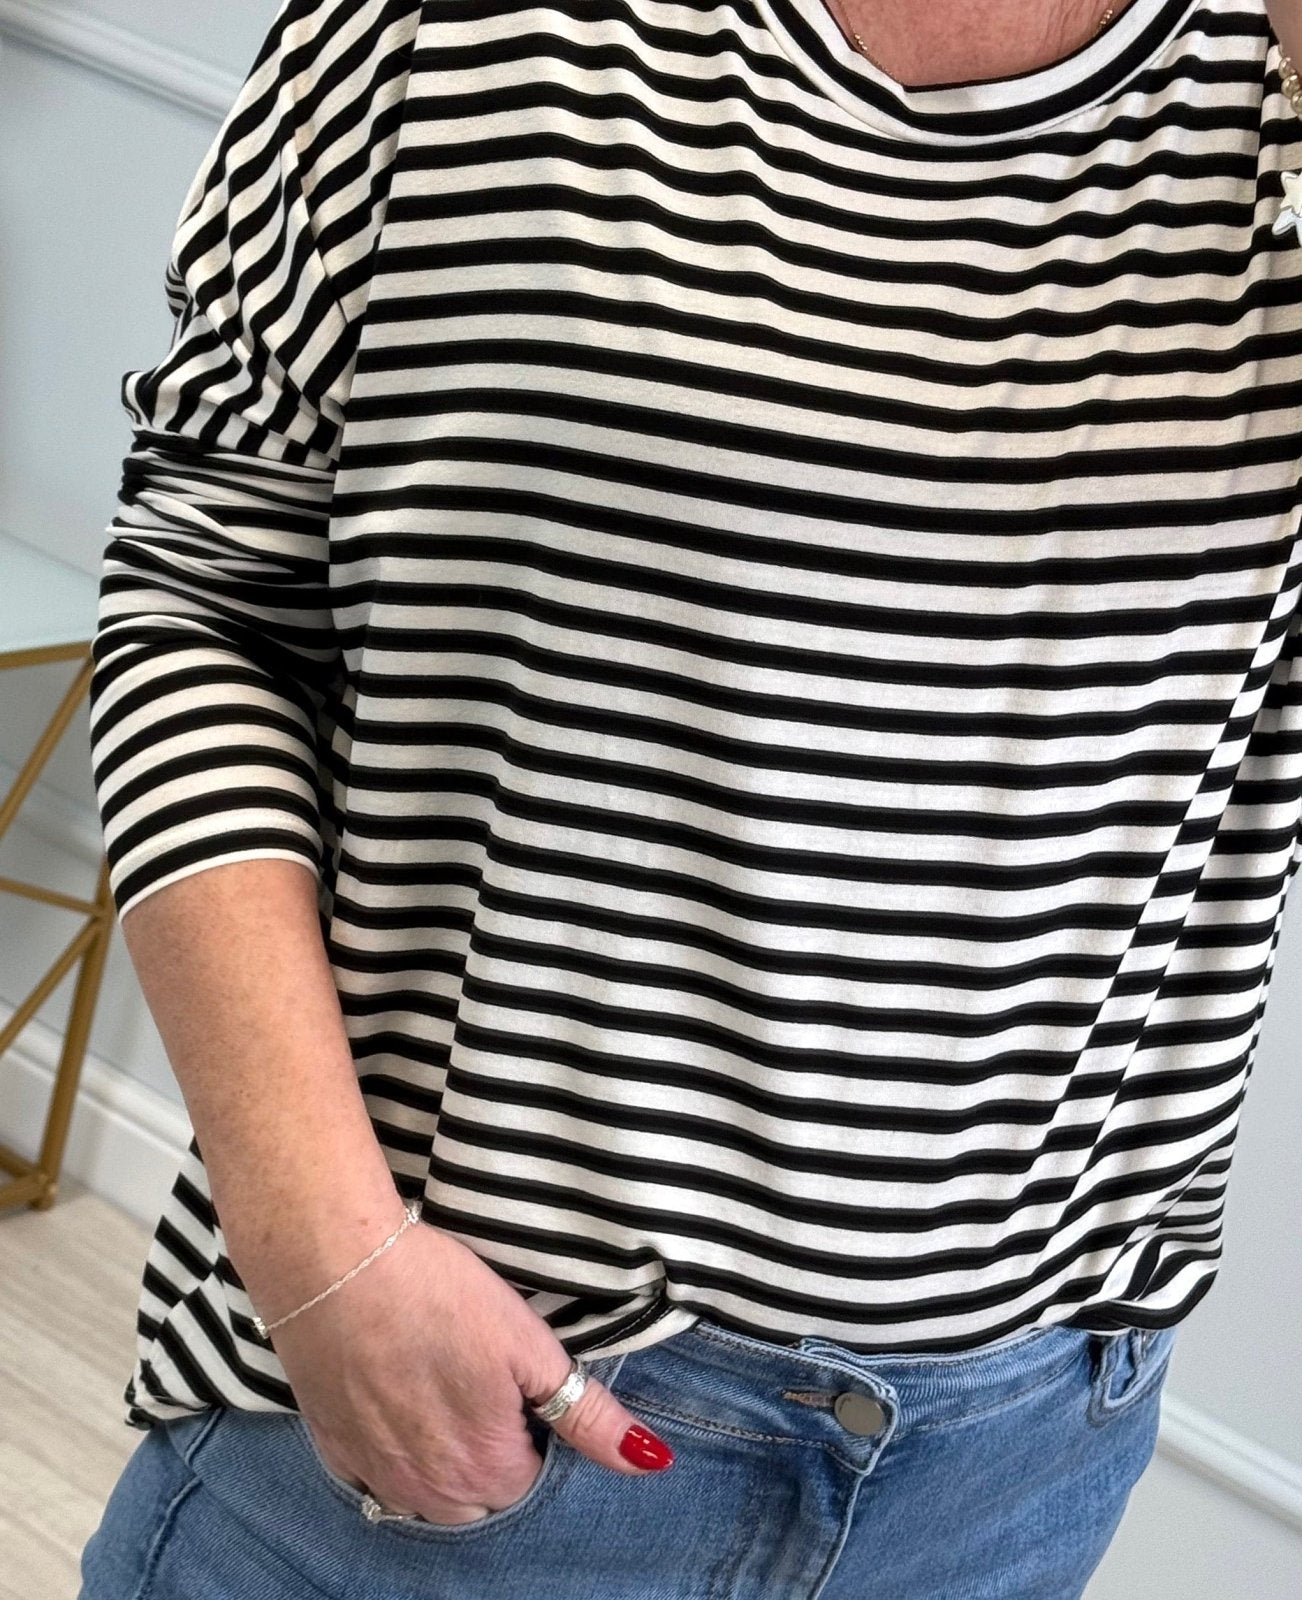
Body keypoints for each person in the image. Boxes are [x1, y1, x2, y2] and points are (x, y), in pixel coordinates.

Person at [76, 0, 1302, 1595]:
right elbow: (207, 602)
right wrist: (320, 1250)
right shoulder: (460, 36)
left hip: (1012, 1458)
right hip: (440, 1403)